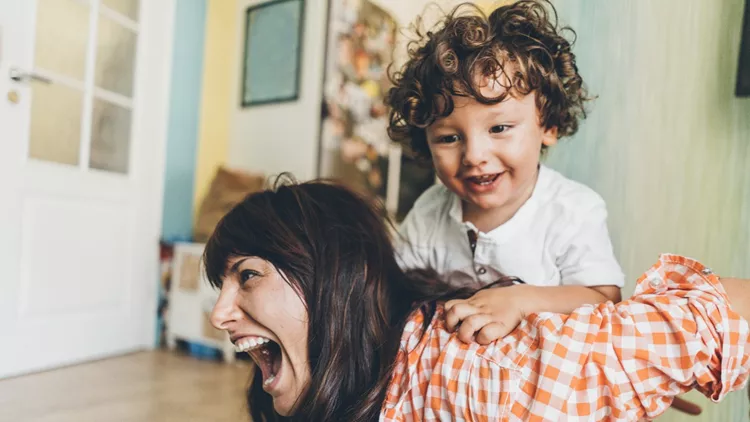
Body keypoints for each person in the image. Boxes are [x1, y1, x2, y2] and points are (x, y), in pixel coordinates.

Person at [206, 179, 750, 422]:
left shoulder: (478, 374)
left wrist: (622, 373)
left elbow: (714, 311)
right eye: (449, 138)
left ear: (333, 279)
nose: (219, 314)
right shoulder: (426, 223)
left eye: (247, 276)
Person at [387, 0, 624, 344]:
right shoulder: (428, 214)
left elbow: (605, 301)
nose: (474, 156)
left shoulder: (573, 211)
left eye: (499, 128)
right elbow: (393, 292)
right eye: (449, 137)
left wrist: (519, 299)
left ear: (550, 125)